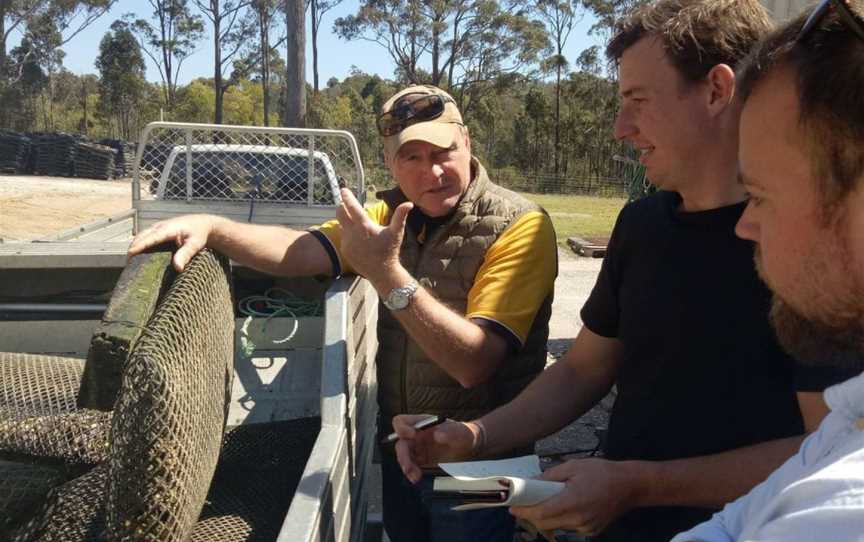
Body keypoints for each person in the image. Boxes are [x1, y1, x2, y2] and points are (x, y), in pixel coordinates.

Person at [391, 2, 853, 541]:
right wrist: (471, 438)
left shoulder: (808, 245)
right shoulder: (642, 224)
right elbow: (583, 369)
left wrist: (638, 484)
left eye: (637, 101)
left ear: (716, 90)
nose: (619, 128)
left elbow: (828, 449)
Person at [127, 84, 558, 542]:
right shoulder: (386, 214)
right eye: (411, 157)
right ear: (391, 162)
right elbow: (298, 250)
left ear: (467, 141)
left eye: (443, 151)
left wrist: (386, 273)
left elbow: (474, 363)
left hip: (483, 467)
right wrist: (213, 227)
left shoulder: (519, 225)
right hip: (407, 457)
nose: (432, 170)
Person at [671, 1, 864, 539]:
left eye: (758, 195)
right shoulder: (848, 420)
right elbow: (733, 527)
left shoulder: (841, 514)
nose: (744, 225)